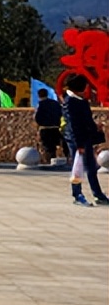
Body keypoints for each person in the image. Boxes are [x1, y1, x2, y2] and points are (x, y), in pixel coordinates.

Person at [62, 73, 107, 206]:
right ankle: (77, 194)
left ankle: (98, 194)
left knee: (91, 167)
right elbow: (74, 125)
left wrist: (95, 131)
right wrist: (79, 143)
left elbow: (87, 121)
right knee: (78, 167)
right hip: (77, 140)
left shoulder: (80, 100)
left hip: (85, 138)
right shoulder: (70, 102)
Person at [34, 88, 66, 164]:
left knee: (48, 146)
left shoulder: (40, 104)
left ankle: (50, 161)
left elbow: (37, 117)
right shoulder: (55, 103)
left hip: (45, 128)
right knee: (55, 144)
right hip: (55, 127)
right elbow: (61, 113)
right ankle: (56, 159)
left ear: (38, 95)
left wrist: (38, 126)